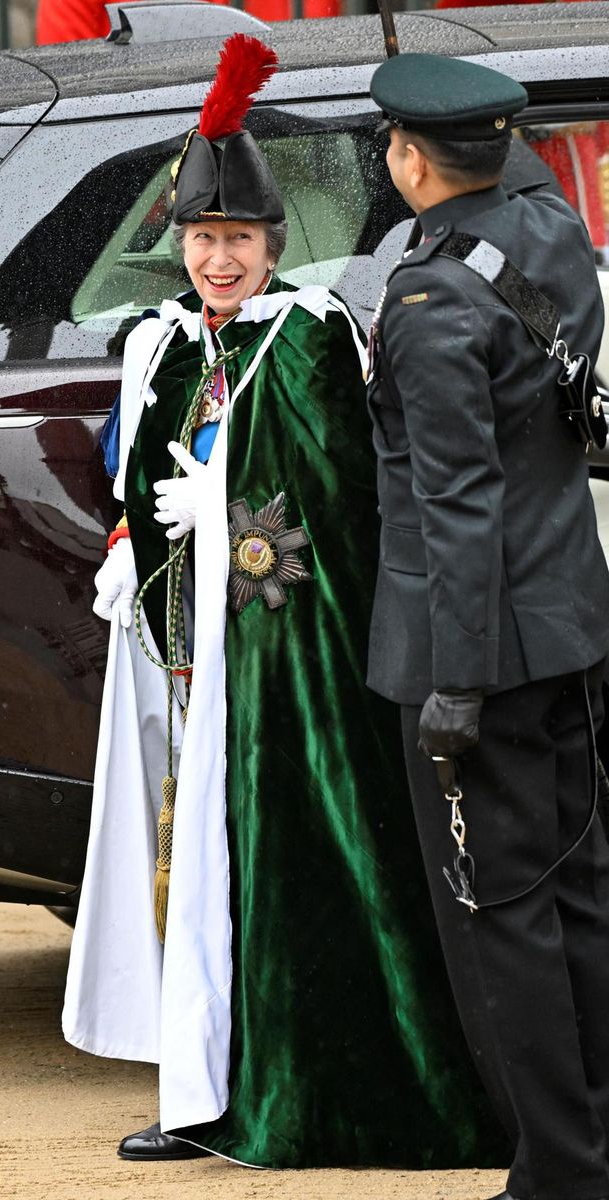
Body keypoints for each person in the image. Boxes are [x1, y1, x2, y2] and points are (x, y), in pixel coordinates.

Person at [62, 33, 506, 1170]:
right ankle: (193, 1080)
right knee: (180, 868)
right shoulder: (156, 344)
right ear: (180, 245)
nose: (221, 261)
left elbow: (339, 506)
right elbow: (138, 469)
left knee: (262, 864)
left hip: (277, 654)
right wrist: (129, 541)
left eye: (241, 241)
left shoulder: (308, 336)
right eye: (204, 240)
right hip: (175, 653)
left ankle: (275, 1088)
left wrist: (225, 522)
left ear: (273, 244)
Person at [367, 51, 609, 1200]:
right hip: (568, 630)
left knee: (504, 920)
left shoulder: (429, 307)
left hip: (482, 653)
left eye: (394, 144)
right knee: (583, 900)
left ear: (414, 162)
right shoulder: (551, 232)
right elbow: (517, 177)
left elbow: (457, 508)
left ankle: (558, 1173)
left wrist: (455, 686)